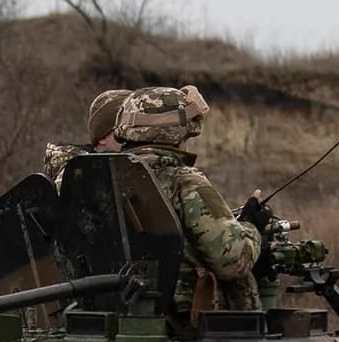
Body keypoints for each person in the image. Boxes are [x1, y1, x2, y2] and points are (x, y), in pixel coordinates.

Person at [113, 85, 268, 316]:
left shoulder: (99, 178)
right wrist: (250, 225)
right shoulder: (183, 182)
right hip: (184, 324)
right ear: (176, 133)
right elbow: (233, 260)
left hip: (110, 315)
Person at [42, 88, 134, 185]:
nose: (133, 138)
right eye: (124, 132)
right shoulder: (78, 175)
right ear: (102, 138)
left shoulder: (135, 167)